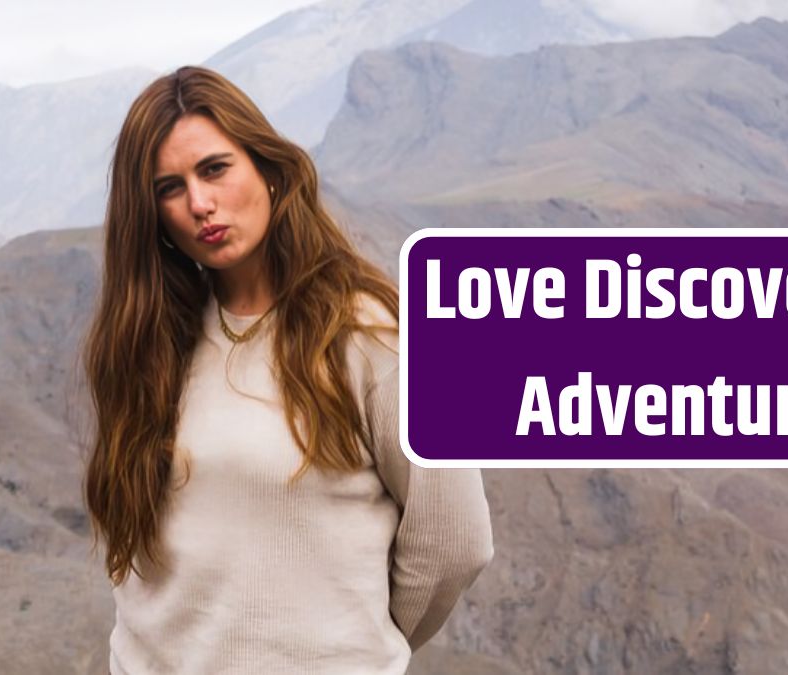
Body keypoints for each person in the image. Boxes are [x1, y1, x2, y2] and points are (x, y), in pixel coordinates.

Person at [82, 65, 493, 674]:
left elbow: (455, 540)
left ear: (269, 170)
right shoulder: (149, 343)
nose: (200, 203)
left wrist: (353, 649)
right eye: (170, 187)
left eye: (215, 169)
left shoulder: (375, 334)